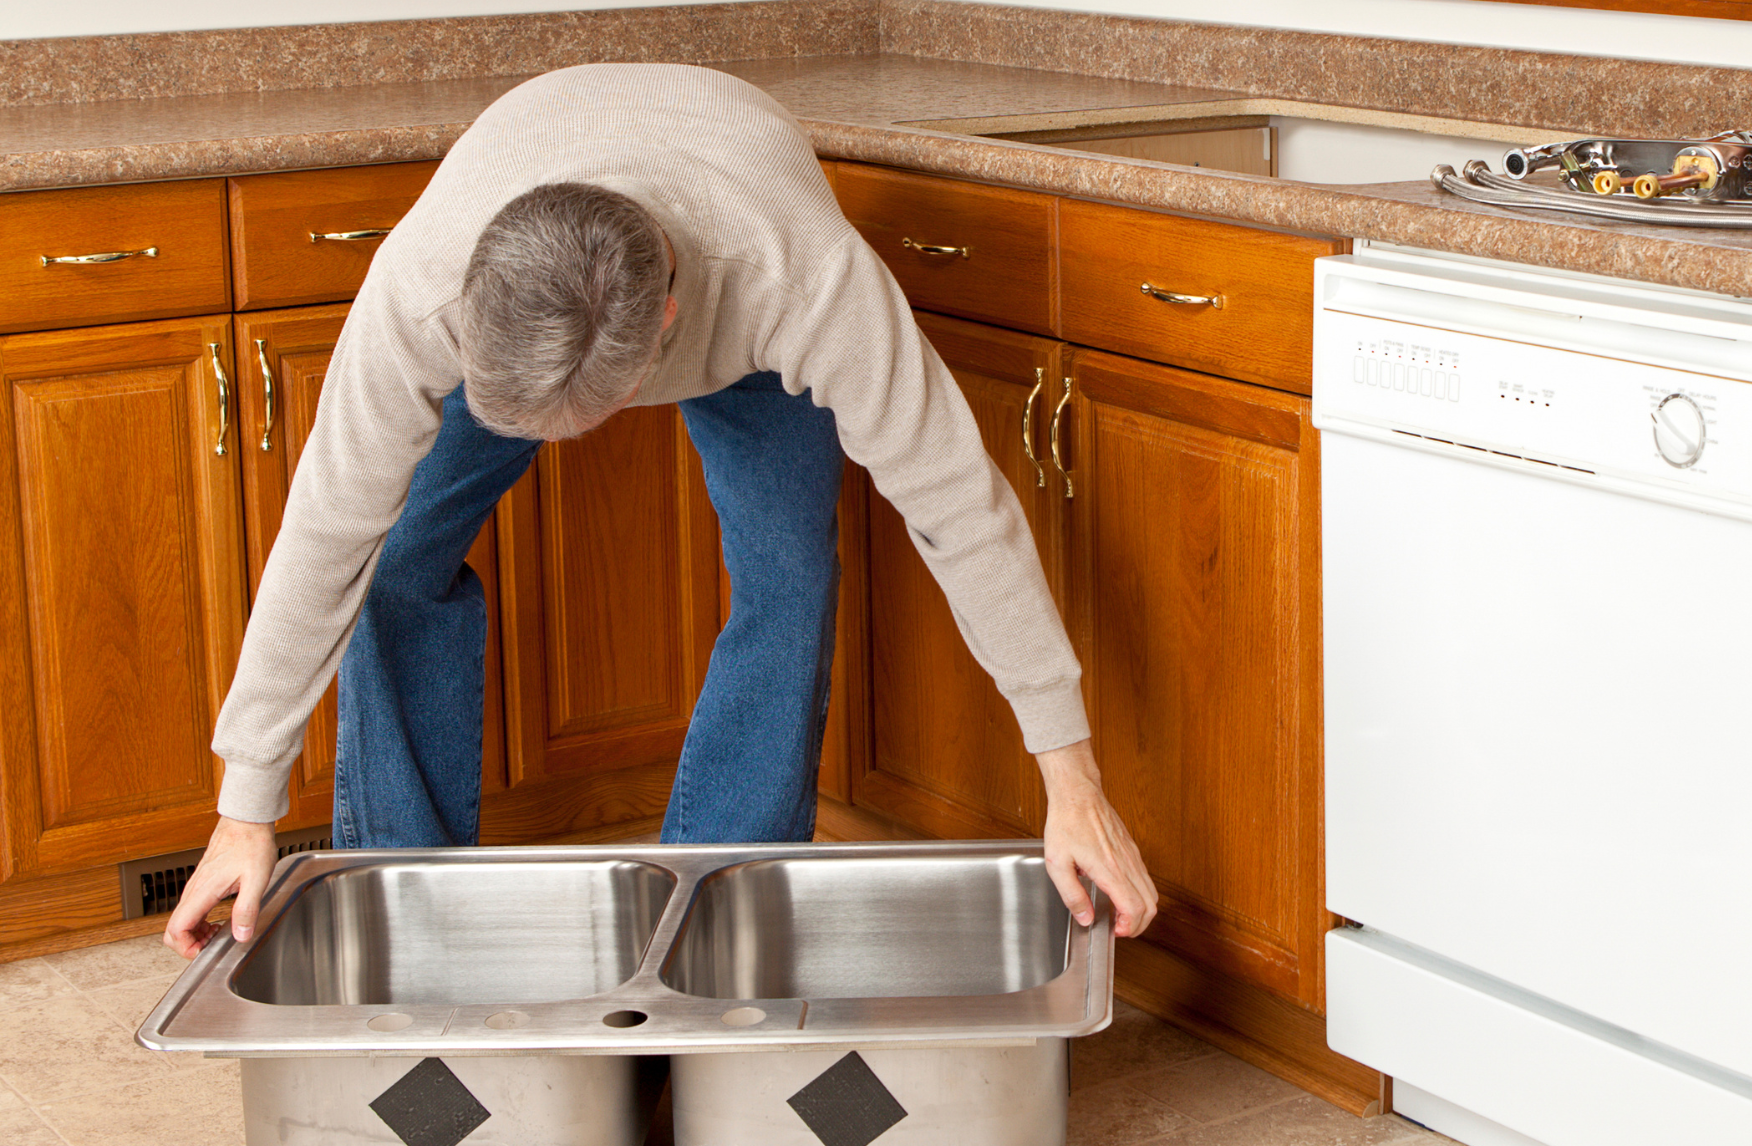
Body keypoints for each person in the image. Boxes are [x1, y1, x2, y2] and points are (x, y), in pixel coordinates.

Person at [162, 63, 1157, 959]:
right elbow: (324, 534)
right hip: (531, 160)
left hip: (736, 213)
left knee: (789, 577)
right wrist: (244, 807)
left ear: (665, 335)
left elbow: (959, 506)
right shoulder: (423, 289)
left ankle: (719, 907)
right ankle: (400, 904)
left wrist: (1071, 780)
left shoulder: (798, 280)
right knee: (387, 565)